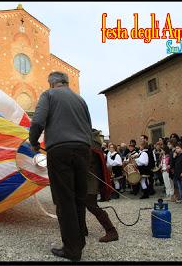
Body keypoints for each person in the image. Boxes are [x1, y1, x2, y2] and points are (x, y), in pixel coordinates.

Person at [29, 71, 93, 261]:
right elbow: (88, 126)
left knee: (64, 200)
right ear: (66, 82)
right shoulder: (80, 100)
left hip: (60, 150)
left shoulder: (49, 95)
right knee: (79, 198)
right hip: (83, 150)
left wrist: (33, 141)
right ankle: (79, 241)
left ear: (51, 83)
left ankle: (72, 250)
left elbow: (38, 121)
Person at [84, 146, 118, 242]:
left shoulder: (90, 144)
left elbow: (85, 162)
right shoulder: (87, 141)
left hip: (90, 180)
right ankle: (82, 230)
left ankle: (111, 231)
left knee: (92, 206)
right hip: (85, 180)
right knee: (80, 204)